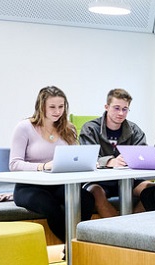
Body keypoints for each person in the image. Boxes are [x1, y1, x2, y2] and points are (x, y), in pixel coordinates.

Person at [10, 86, 96, 239]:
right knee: (50, 206)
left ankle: (74, 245)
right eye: (52, 107)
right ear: (41, 106)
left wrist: (84, 163)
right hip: (29, 187)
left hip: (59, 185)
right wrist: (43, 166)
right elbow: (14, 164)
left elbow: (74, 156)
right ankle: (73, 246)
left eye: (61, 107)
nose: (57, 111)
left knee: (86, 200)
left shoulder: (68, 129)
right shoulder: (24, 127)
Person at [79, 88, 147, 218]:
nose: (121, 113)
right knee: (96, 192)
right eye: (116, 108)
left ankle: (130, 227)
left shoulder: (134, 130)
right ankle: (118, 232)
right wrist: (110, 161)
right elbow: (87, 158)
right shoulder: (90, 128)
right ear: (106, 107)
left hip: (128, 180)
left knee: (151, 189)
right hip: (99, 181)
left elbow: (142, 154)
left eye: (125, 109)